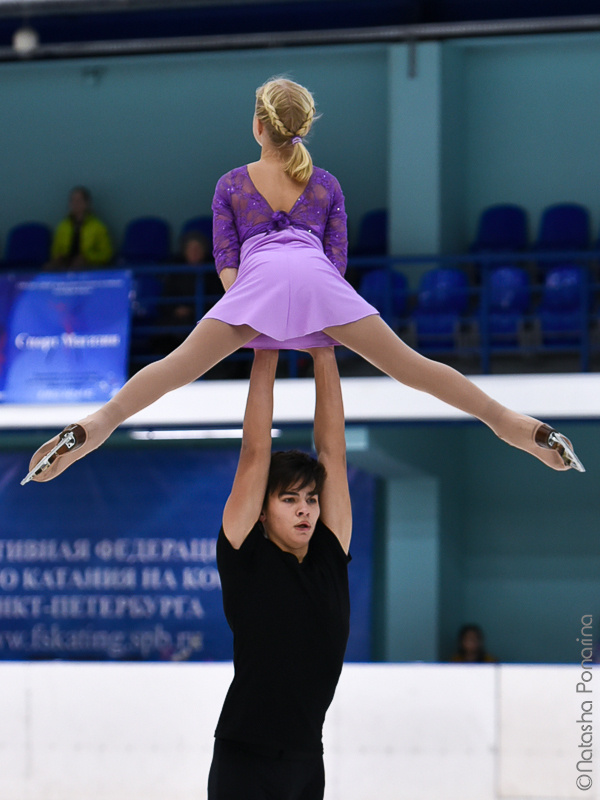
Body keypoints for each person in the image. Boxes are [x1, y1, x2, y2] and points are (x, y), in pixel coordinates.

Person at [22, 77, 583, 485]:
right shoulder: (327, 183)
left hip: (257, 281)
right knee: (416, 369)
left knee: (168, 373)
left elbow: (225, 260)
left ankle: (92, 427)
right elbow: (335, 261)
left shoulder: (232, 183)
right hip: (318, 279)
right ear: (302, 125)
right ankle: (517, 425)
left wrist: (253, 322)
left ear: (258, 125)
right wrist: (317, 327)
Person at [207, 346, 350, 799]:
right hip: (245, 762)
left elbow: (333, 450)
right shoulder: (245, 556)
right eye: (289, 500)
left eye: (310, 499)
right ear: (263, 513)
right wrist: (266, 347)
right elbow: (255, 451)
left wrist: (324, 349)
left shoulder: (330, 557)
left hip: (309, 763)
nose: (305, 509)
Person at [45, 186, 114, 271]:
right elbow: (55, 251)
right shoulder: (62, 226)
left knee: (79, 266)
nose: (75, 204)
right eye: (73, 201)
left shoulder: (98, 227)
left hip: (89, 265)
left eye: (79, 200)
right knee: (49, 268)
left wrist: (88, 258)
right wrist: (59, 258)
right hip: (65, 264)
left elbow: (106, 254)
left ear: (87, 203)